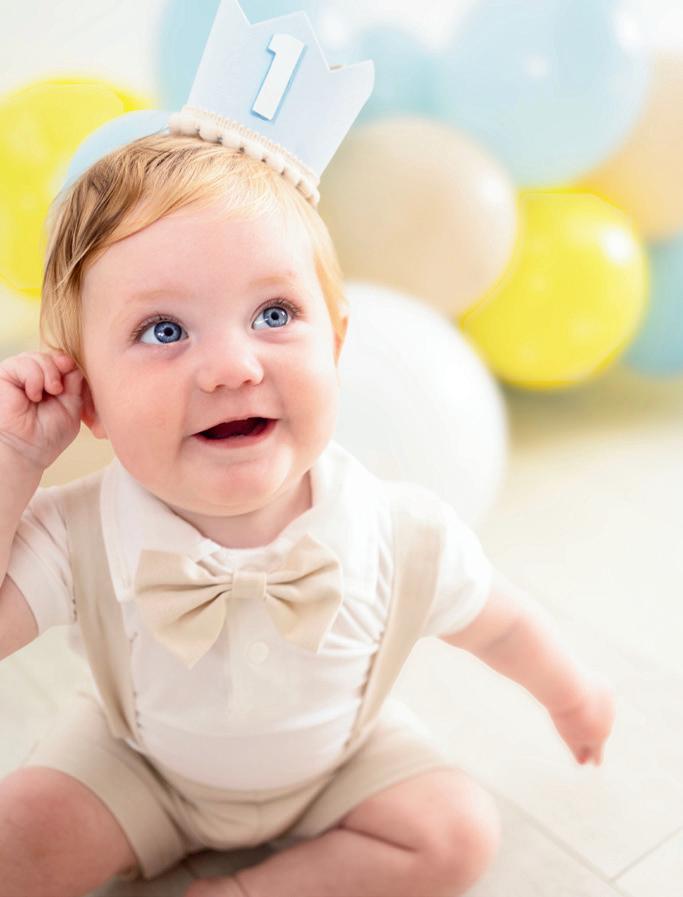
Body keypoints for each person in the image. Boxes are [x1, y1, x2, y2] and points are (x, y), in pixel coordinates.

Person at [0, 131, 615, 897]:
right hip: (136, 761)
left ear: (336, 341)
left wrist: (572, 695)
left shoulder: (400, 531)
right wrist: (15, 461)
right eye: (164, 330)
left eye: (273, 312)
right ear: (88, 396)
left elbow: (500, 626)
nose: (232, 366)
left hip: (339, 763)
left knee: (457, 830)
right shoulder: (80, 532)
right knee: (18, 834)